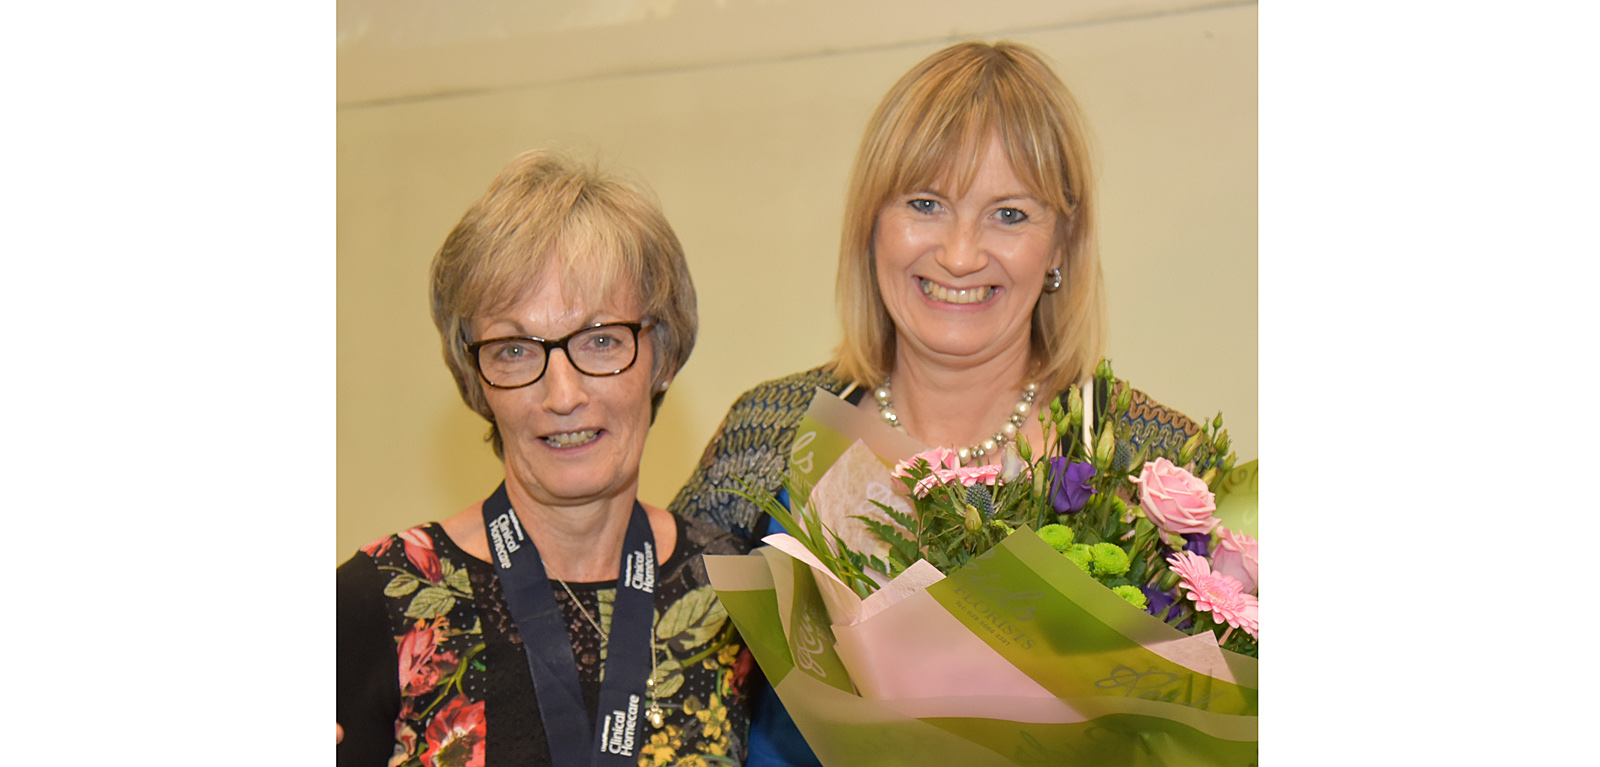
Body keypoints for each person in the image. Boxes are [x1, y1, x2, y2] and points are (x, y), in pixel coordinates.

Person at [668, 41, 1203, 765]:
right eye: (926, 204)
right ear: (872, 223)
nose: (959, 252)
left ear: (1061, 244)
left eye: (1009, 215)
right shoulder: (768, 434)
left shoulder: (1158, 466)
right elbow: (667, 690)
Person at [338, 150, 753, 766]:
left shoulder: (743, 597)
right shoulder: (377, 600)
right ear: (476, 378)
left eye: (602, 340)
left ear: (661, 355)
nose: (563, 395)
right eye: (514, 350)